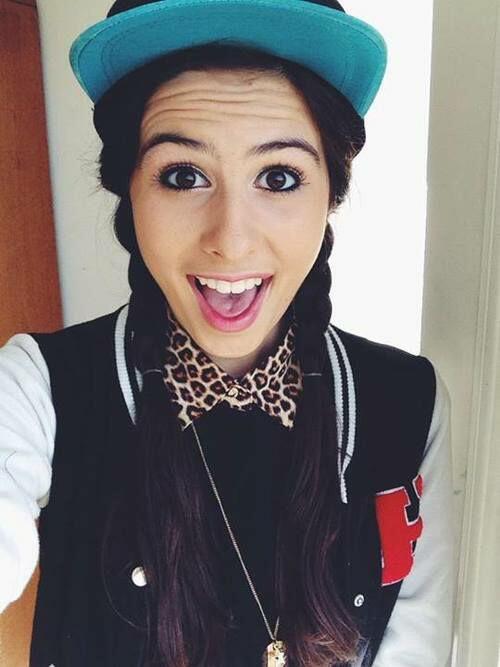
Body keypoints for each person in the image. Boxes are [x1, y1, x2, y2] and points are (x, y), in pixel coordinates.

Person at [0, 0, 456, 665]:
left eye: (279, 177)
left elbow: (416, 643)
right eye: (184, 176)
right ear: (130, 192)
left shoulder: (407, 403)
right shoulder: (41, 386)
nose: (231, 239)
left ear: (330, 195)